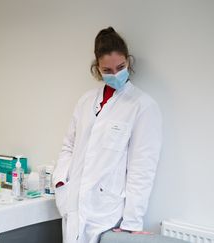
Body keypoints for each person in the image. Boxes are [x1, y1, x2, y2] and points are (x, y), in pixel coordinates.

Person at [53, 27, 162, 243]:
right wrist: (60, 183)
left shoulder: (143, 106)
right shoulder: (86, 101)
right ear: (97, 69)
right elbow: (68, 147)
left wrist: (132, 223)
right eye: (108, 70)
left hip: (108, 214)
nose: (115, 74)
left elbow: (142, 170)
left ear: (128, 62)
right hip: (74, 206)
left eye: (120, 67)